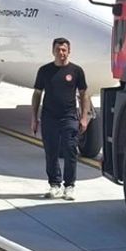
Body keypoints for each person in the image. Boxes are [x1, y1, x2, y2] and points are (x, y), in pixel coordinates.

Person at [31, 37, 90, 200]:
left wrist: (84, 117)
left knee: (70, 150)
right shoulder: (44, 71)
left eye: (64, 50)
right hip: (49, 117)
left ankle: (69, 186)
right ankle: (54, 184)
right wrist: (34, 117)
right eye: (58, 49)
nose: (61, 53)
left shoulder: (76, 71)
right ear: (53, 51)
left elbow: (84, 94)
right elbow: (37, 94)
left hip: (69, 117)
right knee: (51, 152)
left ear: (69, 52)